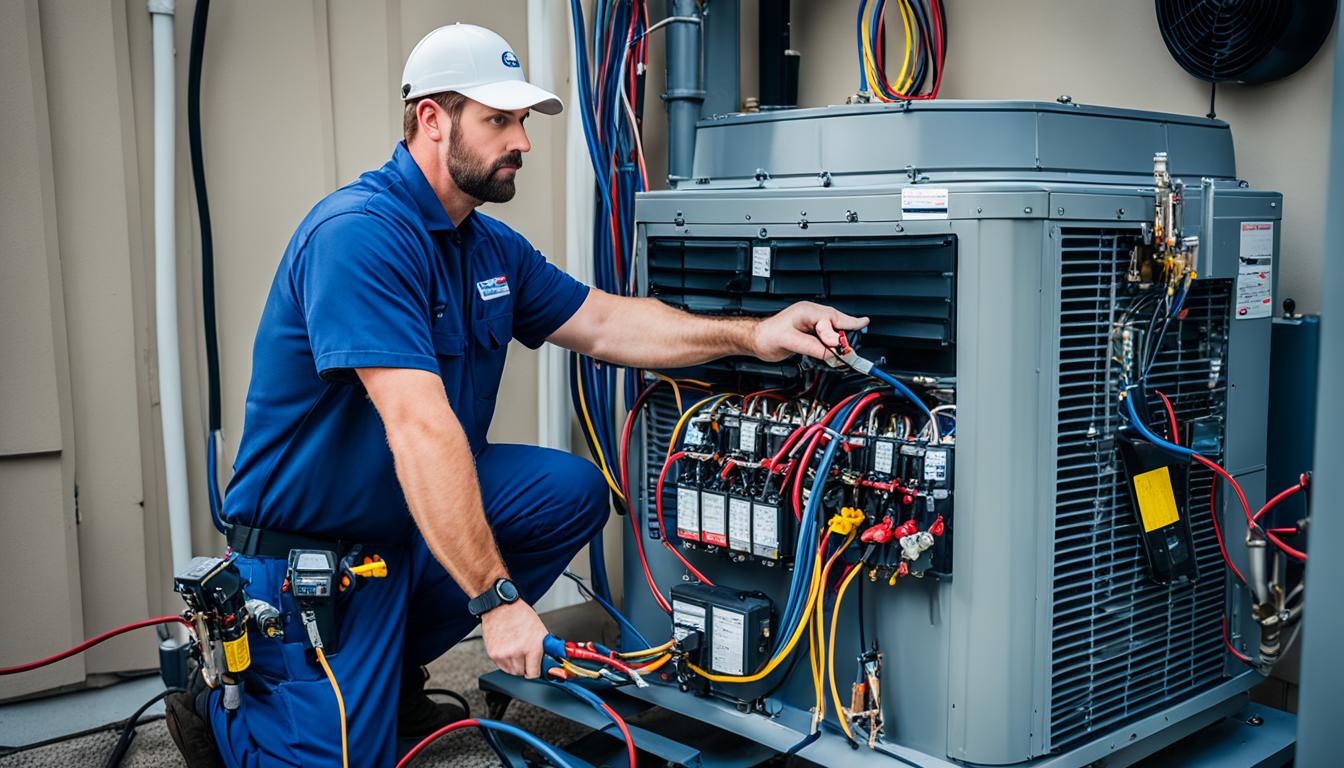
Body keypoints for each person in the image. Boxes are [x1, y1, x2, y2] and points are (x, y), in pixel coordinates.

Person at [165, 23, 867, 767]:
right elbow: (421, 430)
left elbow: (602, 321)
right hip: (312, 547)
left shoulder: (486, 247)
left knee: (567, 491)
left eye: (523, 120)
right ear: (432, 120)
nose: (522, 141)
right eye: (498, 120)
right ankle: (222, 708)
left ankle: (384, 661)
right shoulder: (359, 236)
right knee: (337, 758)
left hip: (397, 518)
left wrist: (756, 334)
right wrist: (498, 605)